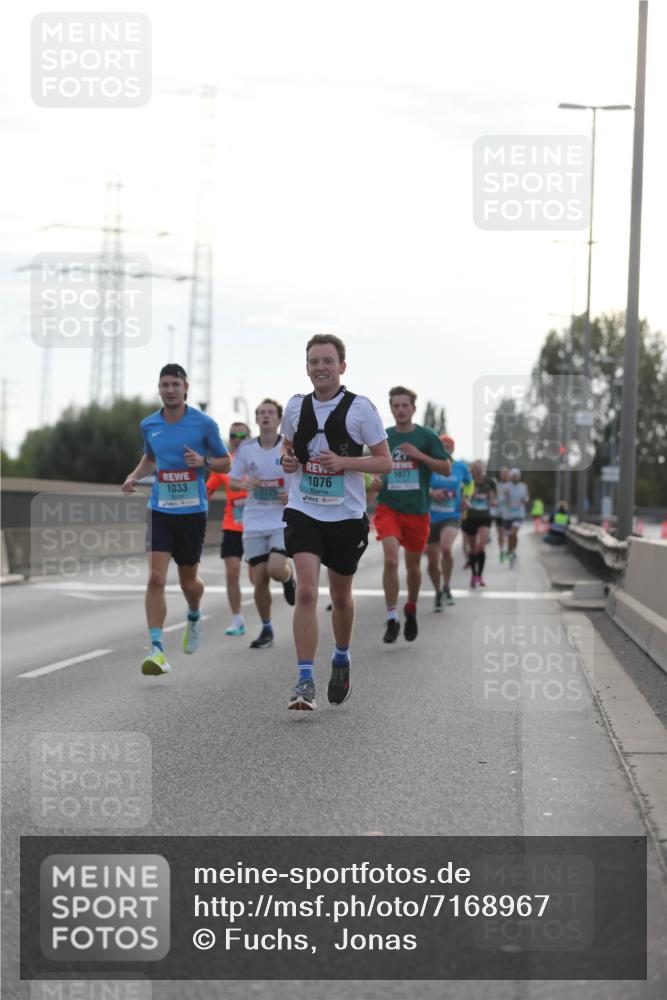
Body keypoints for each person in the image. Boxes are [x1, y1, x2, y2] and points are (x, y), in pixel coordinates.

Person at [280, 334, 392, 710]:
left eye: (328, 361)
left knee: (341, 596)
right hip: (304, 509)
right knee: (308, 592)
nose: (321, 368)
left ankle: (341, 656)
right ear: (307, 367)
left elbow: (384, 461)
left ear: (342, 367)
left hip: (345, 515)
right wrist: (288, 460)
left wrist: (346, 463)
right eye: (314, 361)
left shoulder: (361, 409)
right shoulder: (295, 407)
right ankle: (304, 680)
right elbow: (287, 446)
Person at [122, 364, 230, 675]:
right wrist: (133, 475)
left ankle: (194, 614)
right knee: (156, 578)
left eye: (175, 384)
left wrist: (204, 461)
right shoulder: (149, 424)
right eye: (164, 385)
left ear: (185, 389)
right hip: (160, 510)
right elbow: (151, 457)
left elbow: (226, 463)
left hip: (192, 512)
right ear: (159, 389)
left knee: (188, 583)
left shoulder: (204, 424)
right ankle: (156, 649)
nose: (169, 390)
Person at [371, 387, 451, 642]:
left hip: (417, 511)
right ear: (391, 409)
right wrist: (374, 479)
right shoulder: (384, 437)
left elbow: (446, 469)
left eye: (405, 405)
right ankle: (392, 617)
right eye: (396, 406)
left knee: (414, 567)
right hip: (389, 508)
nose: (401, 410)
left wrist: (418, 455)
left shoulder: (427, 436)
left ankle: (411, 608)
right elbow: (373, 466)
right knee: (391, 560)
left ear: (413, 408)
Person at [229, 399, 296, 649]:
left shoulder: (289, 447)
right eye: (261, 413)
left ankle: (289, 579)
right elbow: (233, 481)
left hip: (282, 518)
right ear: (256, 419)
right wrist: (244, 484)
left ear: (279, 419)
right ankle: (266, 629)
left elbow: (303, 476)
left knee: (276, 569)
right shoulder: (246, 449)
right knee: (259, 578)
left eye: (270, 413)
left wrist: (293, 495)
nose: (266, 416)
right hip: (254, 520)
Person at [206, 421, 251, 636]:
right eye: (234, 436)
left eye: (243, 436)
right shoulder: (225, 465)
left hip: (257, 526)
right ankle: (237, 619)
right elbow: (207, 490)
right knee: (232, 573)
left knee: (257, 576)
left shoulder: (258, 460)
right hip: (232, 525)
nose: (238, 439)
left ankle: (288, 579)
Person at [426, 434, 471, 610]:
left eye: (448, 446)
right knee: (431, 561)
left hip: (452, 515)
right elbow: (421, 484)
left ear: (452, 448)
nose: (444, 449)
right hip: (430, 516)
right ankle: (438, 591)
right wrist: (431, 493)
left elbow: (469, 483)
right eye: (441, 446)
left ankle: (446, 585)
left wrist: (466, 497)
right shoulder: (429, 466)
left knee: (446, 548)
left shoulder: (460, 467)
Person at [461, 460, 496, 588]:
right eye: (478, 467)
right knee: (473, 548)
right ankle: (473, 574)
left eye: (482, 467)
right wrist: (470, 494)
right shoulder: (468, 482)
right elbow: (463, 498)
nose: (481, 470)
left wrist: (493, 500)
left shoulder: (490, 482)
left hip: (484, 517)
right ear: (473, 470)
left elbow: (494, 498)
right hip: (470, 518)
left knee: (481, 546)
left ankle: (479, 576)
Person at [499, 467, 530, 566]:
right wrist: (506, 495)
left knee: (514, 532)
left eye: (517, 476)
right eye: (514, 476)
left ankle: (512, 551)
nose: (515, 478)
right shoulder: (506, 487)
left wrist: (524, 500)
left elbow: (526, 498)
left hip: (518, 514)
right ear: (511, 477)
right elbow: (501, 500)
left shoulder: (523, 486)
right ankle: (511, 551)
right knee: (510, 536)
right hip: (507, 515)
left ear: (519, 477)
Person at [494, 466, 510, 561]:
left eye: (505, 473)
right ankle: (502, 551)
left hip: (510, 514)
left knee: (510, 534)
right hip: (499, 513)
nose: (503, 475)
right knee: (500, 533)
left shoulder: (512, 485)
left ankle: (511, 550)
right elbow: (493, 498)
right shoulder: (497, 485)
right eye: (502, 473)